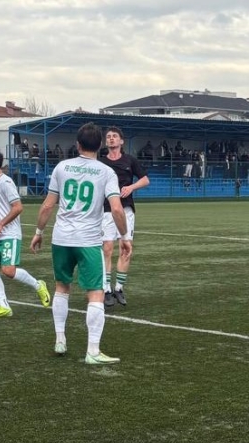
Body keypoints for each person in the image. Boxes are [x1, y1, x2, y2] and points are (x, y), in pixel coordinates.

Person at [30, 122, 132, 365]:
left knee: (61, 288)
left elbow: (47, 205)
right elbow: (117, 209)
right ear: (99, 146)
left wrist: (38, 231)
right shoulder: (107, 172)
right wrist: (125, 237)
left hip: (61, 238)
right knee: (95, 293)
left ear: (77, 145)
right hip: (87, 241)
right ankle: (93, 351)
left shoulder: (62, 167)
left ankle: (60, 339)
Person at [0, 149, 51, 319]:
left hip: (9, 234)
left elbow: (18, 207)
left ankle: (38, 285)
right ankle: (4, 306)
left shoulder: (5, 182)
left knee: (8, 271)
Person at [99, 126, 149, 307]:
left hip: (126, 209)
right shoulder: (101, 162)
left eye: (115, 137)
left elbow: (145, 179)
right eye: (109, 137)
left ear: (121, 141)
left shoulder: (130, 160)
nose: (111, 139)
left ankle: (118, 287)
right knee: (107, 248)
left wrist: (131, 187)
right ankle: (106, 290)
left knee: (125, 249)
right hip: (105, 210)